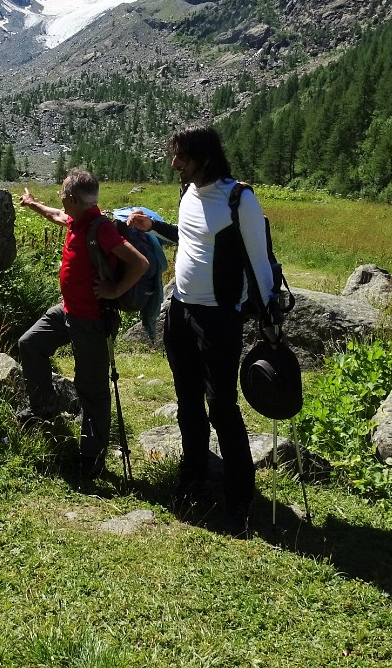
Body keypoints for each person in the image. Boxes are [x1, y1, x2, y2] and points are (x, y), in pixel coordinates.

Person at [126, 125, 274, 536]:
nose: (175, 163)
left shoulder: (238, 199)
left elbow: (259, 264)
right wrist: (152, 226)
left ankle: (238, 499)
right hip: (181, 311)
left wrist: (267, 321)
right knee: (187, 401)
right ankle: (191, 477)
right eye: (175, 155)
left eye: (182, 158)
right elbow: (189, 239)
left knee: (222, 407)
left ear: (205, 158)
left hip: (220, 318)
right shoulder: (188, 191)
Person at [17, 169, 150, 479]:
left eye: (63, 196)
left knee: (92, 389)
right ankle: (44, 409)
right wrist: (32, 204)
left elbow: (139, 263)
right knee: (30, 344)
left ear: (73, 199)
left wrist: (115, 291)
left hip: (91, 320)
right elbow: (56, 216)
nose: (60, 201)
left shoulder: (100, 229)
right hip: (67, 311)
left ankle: (92, 458)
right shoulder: (77, 219)